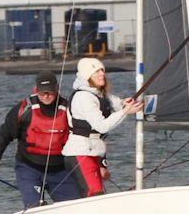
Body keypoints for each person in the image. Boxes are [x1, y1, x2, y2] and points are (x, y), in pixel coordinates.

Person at [0, 71, 79, 208]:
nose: (46, 96)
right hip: (28, 169)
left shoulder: (69, 110)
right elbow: (5, 135)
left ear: (56, 89)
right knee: (34, 207)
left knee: (74, 207)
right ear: (36, 90)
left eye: (49, 92)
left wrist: (99, 164)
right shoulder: (24, 110)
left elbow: (85, 136)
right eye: (42, 93)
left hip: (60, 170)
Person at [61, 58, 143, 198]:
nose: (101, 74)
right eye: (96, 72)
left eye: (102, 70)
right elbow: (102, 126)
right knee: (93, 195)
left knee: (97, 195)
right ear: (87, 76)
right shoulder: (83, 97)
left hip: (93, 152)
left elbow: (114, 103)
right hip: (79, 153)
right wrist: (125, 112)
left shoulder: (98, 93)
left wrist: (124, 104)